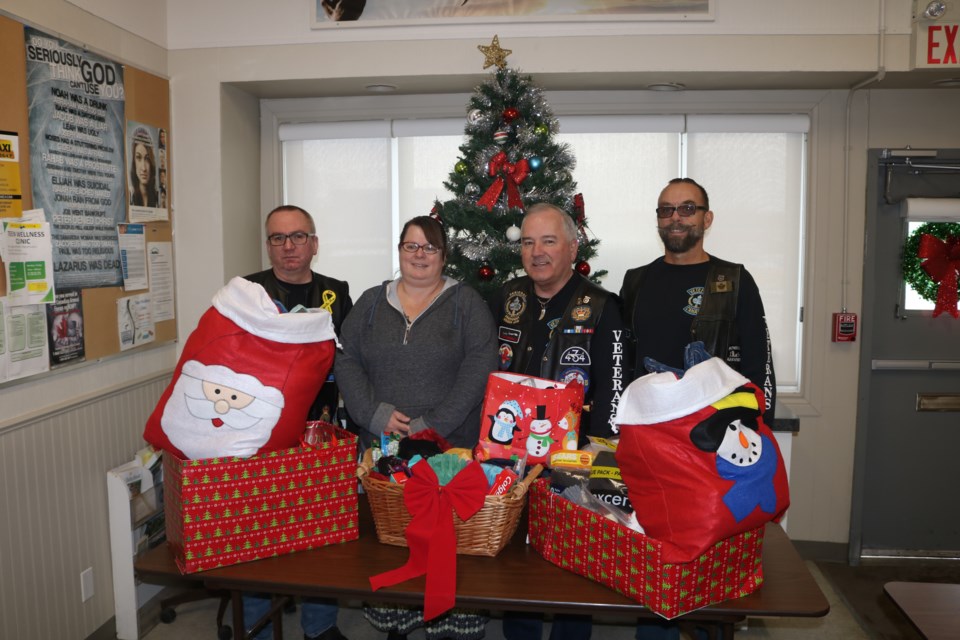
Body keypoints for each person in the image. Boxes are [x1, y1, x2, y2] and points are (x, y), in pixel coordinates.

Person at [619, 178, 777, 640]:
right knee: (657, 547)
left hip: (715, 435)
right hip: (652, 439)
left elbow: (757, 362)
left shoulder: (735, 279)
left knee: (713, 551)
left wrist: (755, 426)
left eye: (687, 209)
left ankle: (714, 628)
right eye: (666, 210)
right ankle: (657, 631)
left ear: (707, 218)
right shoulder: (636, 280)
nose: (676, 218)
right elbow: (624, 359)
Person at [335, 214, 498, 639]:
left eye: (429, 247)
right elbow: (346, 358)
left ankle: (452, 621)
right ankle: (397, 620)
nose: (419, 255)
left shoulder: (468, 304)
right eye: (411, 246)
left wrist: (432, 424)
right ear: (400, 252)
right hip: (382, 449)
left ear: (444, 255)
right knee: (392, 537)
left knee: (450, 543)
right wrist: (372, 413)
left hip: (449, 451)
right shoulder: (371, 301)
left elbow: (481, 368)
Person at [490, 202, 625, 640]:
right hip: (510, 454)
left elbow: (616, 388)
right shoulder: (507, 297)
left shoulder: (604, 307)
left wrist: (599, 452)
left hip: (575, 458)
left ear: (572, 246)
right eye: (528, 242)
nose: (537, 252)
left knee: (574, 565)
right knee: (516, 561)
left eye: (548, 241)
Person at [241, 204, 352, 640]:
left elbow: (351, 358)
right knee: (256, 531)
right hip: (257, 429)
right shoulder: (246, 291)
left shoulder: (337, 292)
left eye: (298, 237)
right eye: (277, 238)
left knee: (319, 531)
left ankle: (319, 627)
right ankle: (255, 624)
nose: (288, 247)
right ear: (268, 244)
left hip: (319, 428)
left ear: (314, 244)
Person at [129, 127, 159, 207]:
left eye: (147, 159)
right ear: (134, 161)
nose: (144, 168)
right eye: (138, 157)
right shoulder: (129, 197)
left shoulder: (158, 198)